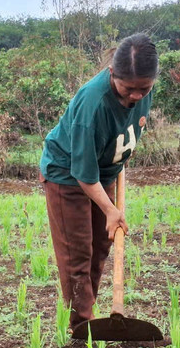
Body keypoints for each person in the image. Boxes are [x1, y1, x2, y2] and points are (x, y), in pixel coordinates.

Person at [39, 33, 158, 331]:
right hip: (68, 175)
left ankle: (88, 315)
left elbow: (127, 128)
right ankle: (81, 325)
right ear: (111, 73)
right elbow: (83, 173)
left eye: (144, 88)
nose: (137, 96)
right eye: (128, 88)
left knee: (100, 246)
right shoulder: (92, 104)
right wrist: (111, 210)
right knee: (77, 253)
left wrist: (120, 159)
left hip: (104, 172)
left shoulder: (143, 89)